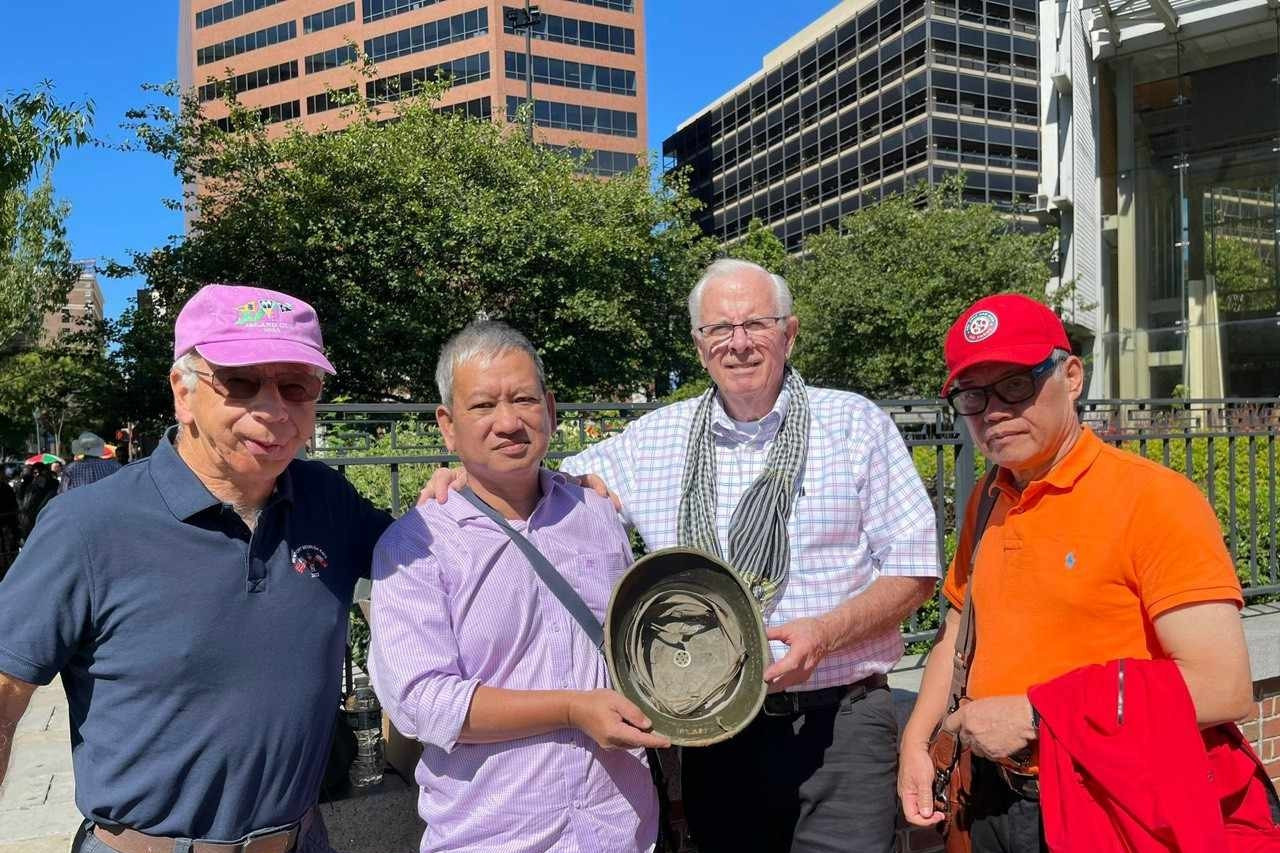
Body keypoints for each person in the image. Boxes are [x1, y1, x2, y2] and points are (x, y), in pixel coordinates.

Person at [430, 259, 939, 852]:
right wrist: (464, 475)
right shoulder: (655, 439)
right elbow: (539, 484)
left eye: (756, 324)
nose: (739, 343)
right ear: (699, 346)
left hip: (841, 723)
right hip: (710, 727)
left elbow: (915, 571)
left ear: (790, 333)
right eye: (719, 329)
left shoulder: (855, 424)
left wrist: (825, 633)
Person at [0, 283, 392, 853]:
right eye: (240, 382)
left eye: (296, 386)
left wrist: (523, 491)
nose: (274, 409)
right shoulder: (88, 526)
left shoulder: (327, 500)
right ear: (183, 393)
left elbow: (443, 555)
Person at [898, 293, 1265, 850]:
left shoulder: (1154, 499)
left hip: (1114, 801)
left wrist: (1038, 716)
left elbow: (1223, 687)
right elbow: (956, 634)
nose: (994, 411)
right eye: (973, 395)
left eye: (1016, 384)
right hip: (996, 797)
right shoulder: (987, 499)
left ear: (1071, 376)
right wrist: (917, 744)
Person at [370, 320, 666, 853]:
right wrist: (572, 708)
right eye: (483, 406)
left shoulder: (596, 515)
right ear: (447, 424)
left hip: (622, 828)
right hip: (493, 836)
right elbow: (423, 703)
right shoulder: (415, 545)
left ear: (550, 409)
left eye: (524, 399)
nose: (508, 422)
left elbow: (632, 647)